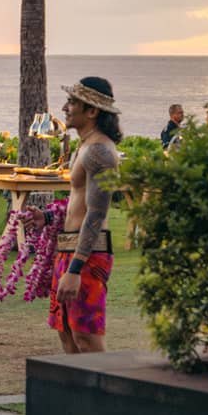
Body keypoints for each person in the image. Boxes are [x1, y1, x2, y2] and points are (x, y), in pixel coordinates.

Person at [51, 76, 122, 354]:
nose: (64, 108)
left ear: (91, 111)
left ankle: (103, 384)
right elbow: (78, 202)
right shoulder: (84, 147)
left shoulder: (100, 152)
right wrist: (47, 217)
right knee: (66, 334)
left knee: (86, 336)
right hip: (69, 248)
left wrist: (75, 270)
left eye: (72, 102)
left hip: (88, 255)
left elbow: (96, 213)